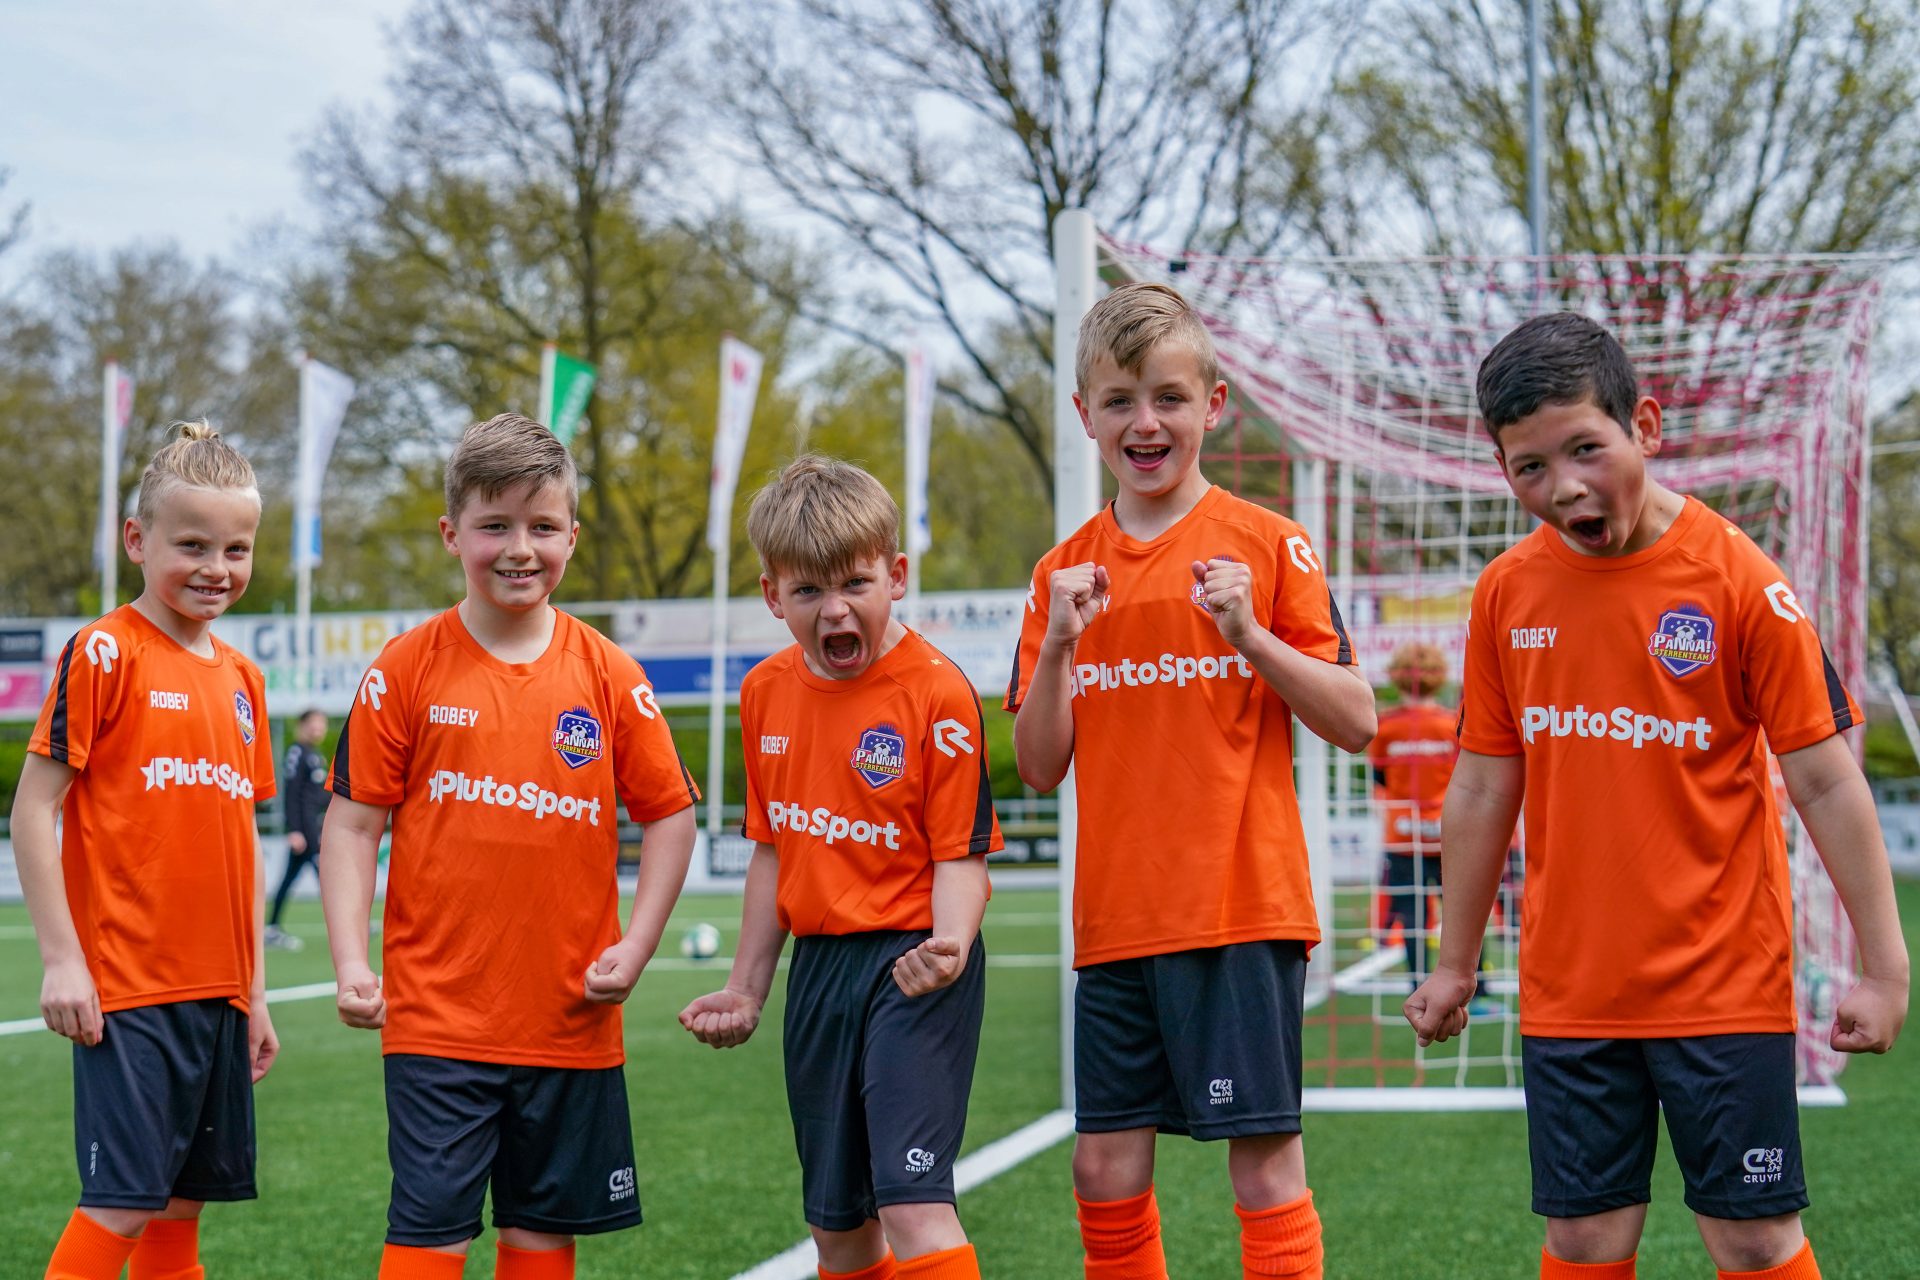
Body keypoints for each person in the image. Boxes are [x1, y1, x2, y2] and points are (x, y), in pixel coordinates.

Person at [1406, 313, 1909, 1280]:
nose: (1566, 488)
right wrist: (1454, 961)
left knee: (1756, 1239)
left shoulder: (1741, 585)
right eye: (1530, 468)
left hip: (1725, 987)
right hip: (1572, 992)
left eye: (1586, 449)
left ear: (1647, 423)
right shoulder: (1506, 595)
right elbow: (1479, 786)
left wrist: (1884, 969)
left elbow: (1825, 779)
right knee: (1585, 1239)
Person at [1007, 283, 1376, 1280]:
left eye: (1169, 396)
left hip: (1239, 908)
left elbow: (1355, 719)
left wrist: (1250, 634)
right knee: (1103, 1164)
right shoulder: (1064, 574)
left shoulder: (1268, 545)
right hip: (1119, 919)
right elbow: (1039, 766)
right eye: (1120, 399)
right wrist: (1058, 650)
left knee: (1262, 1166)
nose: (1146, 421)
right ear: (1086, 415)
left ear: (1213, 406)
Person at [319, 413, 699, 1280]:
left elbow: (669, 815)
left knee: (539, 1237)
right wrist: (350, 958)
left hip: (569, 1019)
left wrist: (635, 946)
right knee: (429, 1236)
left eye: (541, 526)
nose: (519, 548)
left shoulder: (608, 673)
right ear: (453, 533)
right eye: (495, 526)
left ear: (573, 532)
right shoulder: (406, 668)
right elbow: (351, 822)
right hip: (438, 1022)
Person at [680, 454, 1001, 1280]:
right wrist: (748, 987)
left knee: (913, 1202)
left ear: (895, 577)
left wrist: (953, 943)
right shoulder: (763, 693)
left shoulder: (937, 694)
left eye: (855, 583)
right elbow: (772, 849)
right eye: (808, 592)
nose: (835, 610)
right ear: (771, 595)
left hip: (915, 965)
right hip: (819, 972)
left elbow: (960, 858)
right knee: (839, 1230)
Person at [14, 421, 279, 1280]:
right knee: (123, 1199)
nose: (217, 567)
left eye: (236, 548)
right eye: (192, 543)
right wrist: (63, 962)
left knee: (179, 1207)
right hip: (129, 987)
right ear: (137, 539)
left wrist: (256, 994)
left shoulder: (245, 682)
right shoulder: (104, 652)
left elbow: (240, 843)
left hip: (219, 995)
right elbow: (33, 811)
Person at [267, 708, 330, 950]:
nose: (319, 728)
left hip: (313, 833)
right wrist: (294, 829)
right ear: (303, 725)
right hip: (304, 834)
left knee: (291, 879)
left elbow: (316, 798)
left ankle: (271, 927)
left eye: (322, 724)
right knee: (328, 879)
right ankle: (355, 929)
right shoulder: (297, 753)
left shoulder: (314, 755)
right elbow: (292, 795)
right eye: (315, 723)